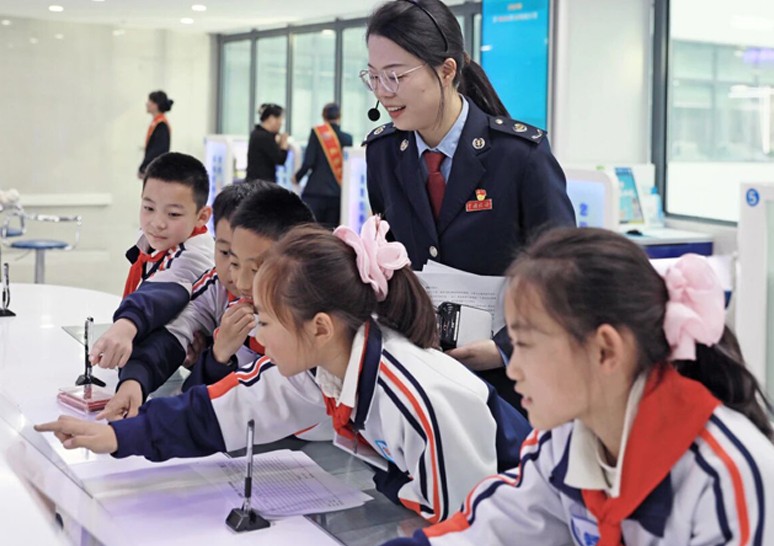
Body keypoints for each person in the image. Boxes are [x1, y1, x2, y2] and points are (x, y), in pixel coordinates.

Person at [36, 216, 531, 524]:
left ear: (319, 327)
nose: (259, 335)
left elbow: (475, 525)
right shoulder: (327, 367)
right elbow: (225, 410)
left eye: (267, 321)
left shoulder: (419, 399)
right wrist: (116, 437)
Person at [383, 228, 774, 546]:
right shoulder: (565, 439)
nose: (513, 370)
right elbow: (490, 529)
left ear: (605, 350)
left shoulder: (727, 476)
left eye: (525, 346)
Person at [361, 0, 576, 403]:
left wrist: (505, 348)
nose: (383, 92)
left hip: (510, 383)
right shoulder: (383, 154)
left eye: (395, 76)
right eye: (373, 76)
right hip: (419, 375)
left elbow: (565, 272)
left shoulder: (519, 155)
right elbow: (390, 258)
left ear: (446, 71)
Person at [101, 182, 316, 420]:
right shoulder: (216, 287)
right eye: (227, 255)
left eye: (256, 266)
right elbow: (172, 335)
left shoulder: (308, 314)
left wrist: (215, 358)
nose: (240, 280)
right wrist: (134, 383)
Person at [91, 152, 214, 369]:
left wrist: (126, 325)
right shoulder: (154, 243)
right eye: (148, 208)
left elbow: (160, 291)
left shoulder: (197, 255)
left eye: (173, 214)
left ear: (202, 216)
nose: (157, 223)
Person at [295, 103, 354, 228]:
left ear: (323, 116)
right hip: (336, 194)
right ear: (339, 116)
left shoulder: (316, 133)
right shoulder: (348, 138)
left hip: (315, 192)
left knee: (311, 230)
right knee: (329, 232)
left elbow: (309, 162)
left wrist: (297, 177)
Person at [245, 103, 289, 183]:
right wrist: (284, 145)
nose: (281, 124)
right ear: (271, 119)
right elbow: (280, 160)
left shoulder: (256, 133)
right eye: (280, 120)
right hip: (262, 184)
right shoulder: (264, 137)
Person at [138, 90, 174, 179]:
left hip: (156, 171)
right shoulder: (156, 123)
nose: (147, 104)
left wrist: (145, 166)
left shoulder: (161, 125)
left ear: (156, 105)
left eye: (150, 101)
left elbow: (157, 150)